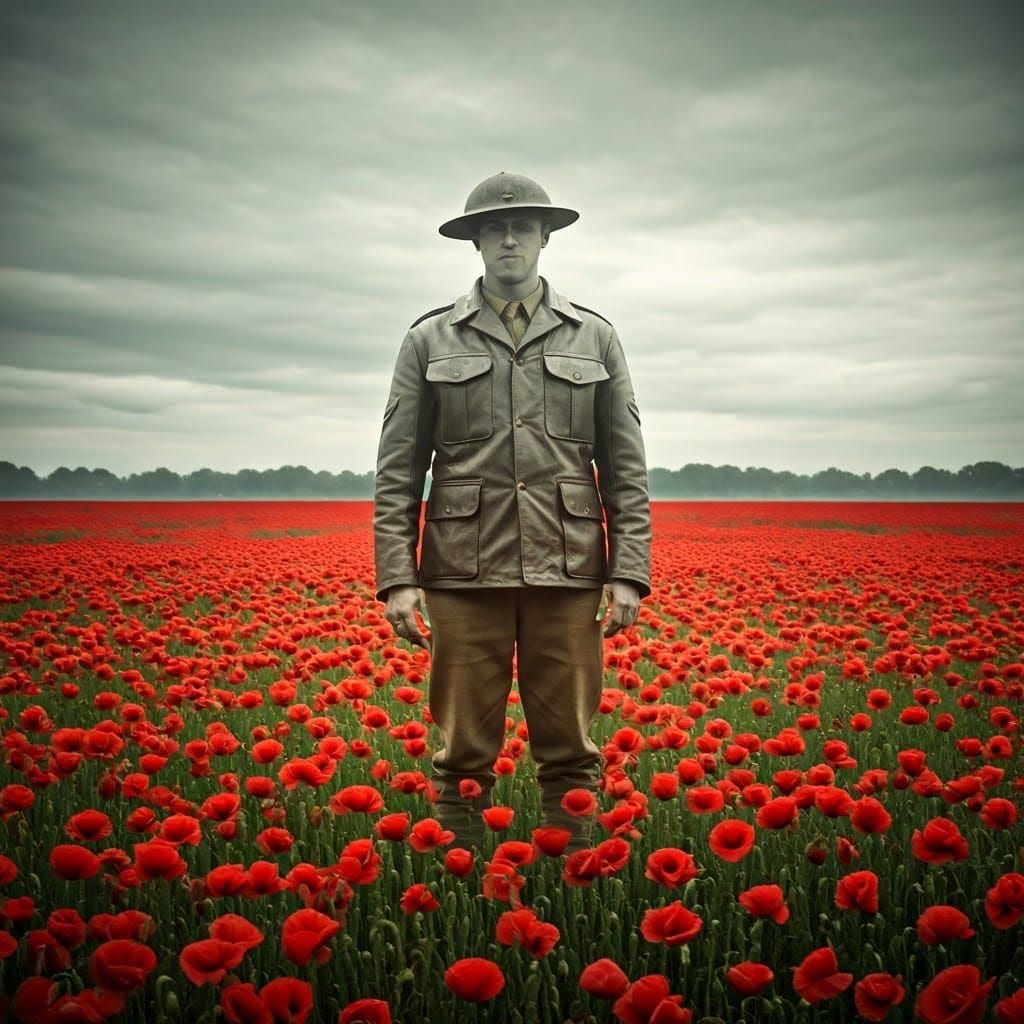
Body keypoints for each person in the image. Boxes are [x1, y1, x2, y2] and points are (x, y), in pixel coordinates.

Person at [373, 171, 651, 851]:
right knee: (462, 754)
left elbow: (625, 468)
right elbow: (398, 470)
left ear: (544, 237)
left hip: (569, 569)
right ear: (474, 242)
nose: (507, 240)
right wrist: (398, 577)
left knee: (571, 751)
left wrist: (628, 571)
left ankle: (576, 881)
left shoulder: (594, 337)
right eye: (492, 229)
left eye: (521, 227)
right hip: (463, 573)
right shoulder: (430, 339)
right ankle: (462, 881)